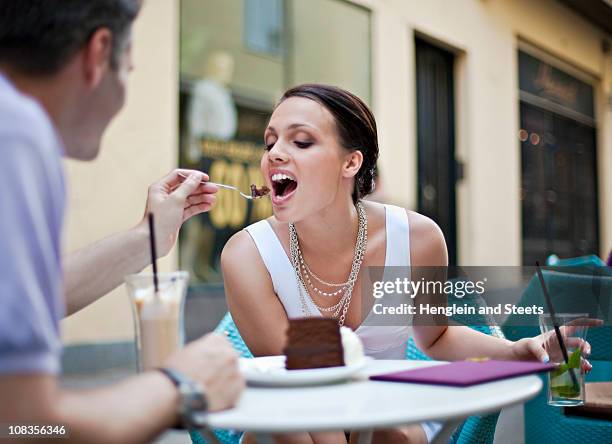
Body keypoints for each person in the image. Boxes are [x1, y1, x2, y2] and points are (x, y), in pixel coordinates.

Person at [221, 84, 594, 444]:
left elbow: (436, 336)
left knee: (392, 433)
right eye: (270, 142)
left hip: (390, 418)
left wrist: (519, 349)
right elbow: (299, 390)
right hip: (296, 418)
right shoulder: (247, 255)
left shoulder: (417, 240)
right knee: (279, 432)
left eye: (301, 141)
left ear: (351, 162)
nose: (274, 154)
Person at [0, 1, 243, 442]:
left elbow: (26, 295)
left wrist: (148, 238)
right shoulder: (17, 131)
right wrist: (178, 385)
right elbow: (21, 423)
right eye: (129, 70)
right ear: (99, 53)